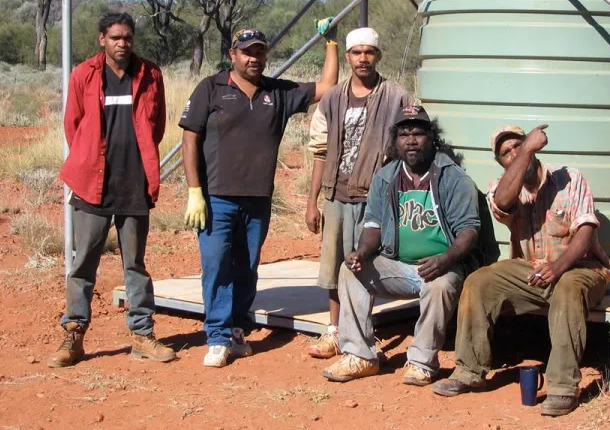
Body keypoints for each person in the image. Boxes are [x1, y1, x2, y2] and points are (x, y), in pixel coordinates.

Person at [180, 24, 339, 368]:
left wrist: (331, 42)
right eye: (247, 51)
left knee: (247, 266)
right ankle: (218, 336)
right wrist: (195, 190)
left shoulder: (277, 92)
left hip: (258, 198)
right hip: (216, 196)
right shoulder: (211, 88)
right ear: (232, 55)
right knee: (216, 265)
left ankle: (237, 328)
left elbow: (327, 88)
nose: (254, 58)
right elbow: (190, 138)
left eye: (259, 52)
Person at [432, 124, 610, 417]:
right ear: (502, 163)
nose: (515, 153)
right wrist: (527, 150)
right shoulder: (501, 187)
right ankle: (469, 371)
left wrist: (558, 267)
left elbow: (586, 231)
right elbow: (503, 203)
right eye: (507, 153)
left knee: (568, 288)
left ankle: (563, 387)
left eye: (519, 145)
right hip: (531, 269)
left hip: (582, 268)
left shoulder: (570, 178)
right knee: (479, 282)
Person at [322, 106, 499, 385]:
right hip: (399, 264)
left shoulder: (453, 178)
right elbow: (373, 225)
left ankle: (422, 362)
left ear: (432, 137)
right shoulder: (386, 177)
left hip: (445, 265)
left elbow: (469, 231)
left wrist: (445, 259)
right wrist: (363, 252)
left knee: (439, 285)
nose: (411, 140)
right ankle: (360, 355)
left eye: (418, 133)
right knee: (349, 270)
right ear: (396, 141)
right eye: (404, 134)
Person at [49, 12, 175, 368]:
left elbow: (157, 125)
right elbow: (73, 125)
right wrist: (91, 159)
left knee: (135, 264)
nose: (123, 44)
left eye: (128, 38)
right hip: (93, 185)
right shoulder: (84, 75)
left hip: (135, 184)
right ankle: (74, 334)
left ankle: (142, 334)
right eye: (116, 37)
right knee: (83, 263)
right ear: (102, 39)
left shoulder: (150, 74)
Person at [304, 27, 414, 359]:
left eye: (369, 52)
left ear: (378, 56)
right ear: (348, 56)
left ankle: (364, 332)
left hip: (376, 197)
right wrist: (312, 202)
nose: (362, 58)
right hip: (336, 195)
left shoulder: (397, 97)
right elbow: (320, 152)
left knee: (367, 264)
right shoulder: (333, 98)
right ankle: (335, 331)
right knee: (335, 266)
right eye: (356, 52)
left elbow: (414, 142)